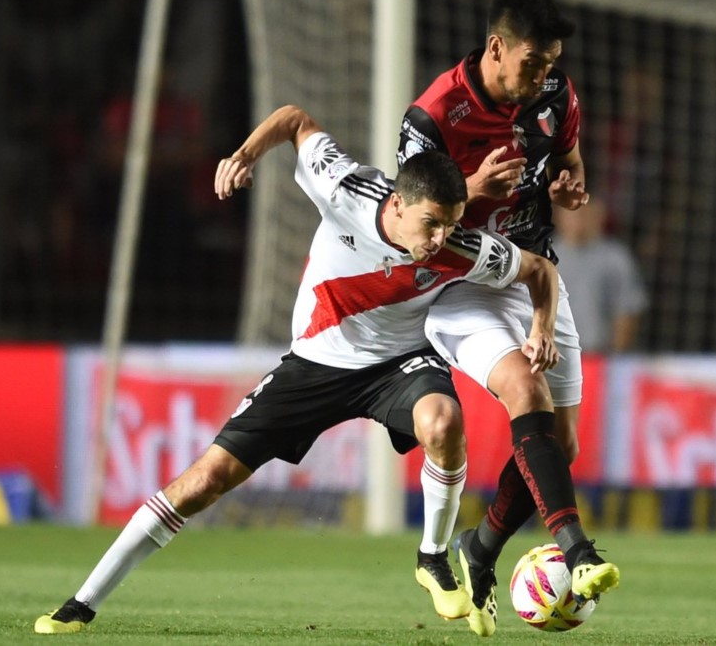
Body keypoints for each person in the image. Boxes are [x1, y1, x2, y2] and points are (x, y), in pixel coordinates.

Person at [33, 104, 562, 634]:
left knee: (444, 421)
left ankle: (433, 556)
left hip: (398, 362)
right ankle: (81, 603)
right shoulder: (345, 189)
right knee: (205, 480)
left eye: (449, 224)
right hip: (315, 363)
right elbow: (295, 120)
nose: (440, 238)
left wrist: (542, 327)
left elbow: (539, 271)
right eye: (431, 224)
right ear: (398, 204)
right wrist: (244, 155)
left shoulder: (463, 248)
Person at [397, 0, 619, 636]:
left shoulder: (556, 94)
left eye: (551, 63)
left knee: (562, 443)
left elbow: (569, 161)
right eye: (533, 62)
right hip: (459, 281)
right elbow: (406, 218)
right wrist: (469, 188)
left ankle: (481, 549)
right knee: (526, 387)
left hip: (534, 273)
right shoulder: (434, 114)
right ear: (497, 48)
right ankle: (578, 551)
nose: (543, 74)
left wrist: (571, 185)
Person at [553, 199, 648, 352]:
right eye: (572, 212)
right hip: (551, 356)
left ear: (598, 215)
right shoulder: (542, 257)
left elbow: (626, 311)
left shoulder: (616, 259)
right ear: (559, 215)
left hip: (598, 355)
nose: (578, 218)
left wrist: (615, 356)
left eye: (584, 212)